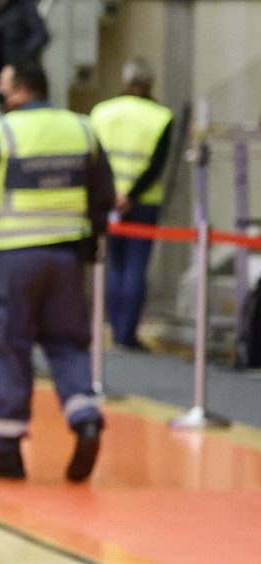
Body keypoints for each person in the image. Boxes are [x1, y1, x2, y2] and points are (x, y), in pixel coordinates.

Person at [0, 61, 111, 483]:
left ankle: (6, 451)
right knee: (69, 344)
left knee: (6, 350)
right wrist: (93, 238)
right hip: (67, 260)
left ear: (19, 90)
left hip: (11, 263)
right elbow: (102, 193)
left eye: (2, 84)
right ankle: (85, 416)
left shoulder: (1, 134)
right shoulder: (83, 129)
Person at [89, 61, 173, 351]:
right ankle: (126, 334)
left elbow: (96, 158)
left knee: (115, 265)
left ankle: (115, 328)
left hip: (109, 200)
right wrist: (132, 196)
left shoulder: (102, 112)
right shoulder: (161, 116)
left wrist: (114, 194)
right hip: (143, 203)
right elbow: (156, 165)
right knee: (136, 267)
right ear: (150, 83)